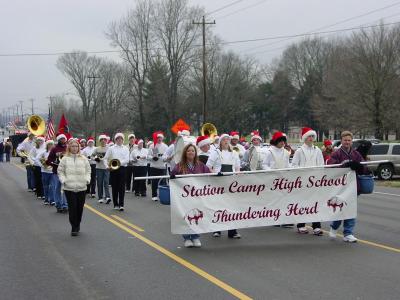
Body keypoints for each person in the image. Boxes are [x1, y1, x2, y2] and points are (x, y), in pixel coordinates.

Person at [328, 131, 366, 243]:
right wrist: (344, 166)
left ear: (351, 141)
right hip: (340, 187)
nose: (347, 142)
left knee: (351, 209)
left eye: (349, 140)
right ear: (342, 141)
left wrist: (358, 167)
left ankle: (348, 233)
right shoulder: (336, 153)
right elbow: (331, 166)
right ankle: (334, 227)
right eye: (345, 140)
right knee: (340, 209)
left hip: (354, 186)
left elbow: (364, 168)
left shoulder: (356, 154)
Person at [170, 144, 211, 248]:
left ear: (195, 153)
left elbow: (209, 175)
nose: (191, 153)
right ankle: (187, 238)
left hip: (197, 196)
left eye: (192, 151)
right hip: (184, 197)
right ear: (185, 153)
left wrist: (217, 175)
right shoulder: (179, 165)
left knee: (197, 216)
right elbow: (172, 176)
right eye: (188, 151)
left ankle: (196, 236)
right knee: (187, 216)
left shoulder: (201, 165)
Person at [207, 133, 241, 239]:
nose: (226, 141)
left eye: (228, 139)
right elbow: (208, 166)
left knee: (232, 207)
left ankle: (232, 231)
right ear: (220, 141)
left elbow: (237, 167)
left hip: (231, 183)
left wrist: (236, 175)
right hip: (218, 182)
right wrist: (215, 174)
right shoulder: (215, 152)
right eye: (224, 139)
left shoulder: (234, 153)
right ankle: (216, 230)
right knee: (218, 206)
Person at [291, 127, 324, 235]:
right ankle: (301, 225)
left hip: (315, 182)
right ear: (305, 138)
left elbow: (321, 165)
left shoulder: (317, 150)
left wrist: (320, 177)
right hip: (303, 182)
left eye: (312, 136)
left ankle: (316, 226)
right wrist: (301, 175)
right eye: (309, 136)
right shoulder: (300, 151)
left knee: (316, 203)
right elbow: (294, 165)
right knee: (303, 203)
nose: (311, 138)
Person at [58, 139, 91, 236]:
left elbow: (88, 171)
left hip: (82, 187)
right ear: (69, 147)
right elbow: (60, 171)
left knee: (79, 208)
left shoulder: (83, 158)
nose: (75, 148)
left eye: (76, 146)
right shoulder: (64, 159)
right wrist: (64, 180)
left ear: (79, 148)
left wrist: (87, 179)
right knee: (72, 208)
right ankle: (74, 227)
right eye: (72, 146)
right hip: (69, 187)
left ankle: (78, 223)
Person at [104, 133, 129, 211]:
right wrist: (107, 166)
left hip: (122, 168)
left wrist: (118, 163)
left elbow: (127, 160)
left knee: (122, 187)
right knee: (115, 187)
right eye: (118, 138)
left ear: (123, 140)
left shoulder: (125, 148)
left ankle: (121, 204)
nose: (119, 140)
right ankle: (116, 204)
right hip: (113, 169)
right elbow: (105, 158)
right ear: (115, 140)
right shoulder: (111, 148)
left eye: (121, 138)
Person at [46, 133, 68, 213]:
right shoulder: (54, 149)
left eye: (64, 139)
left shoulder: (68, 148)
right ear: (58, 140)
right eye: (61, 139)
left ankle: (65, 205)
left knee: (66, 188)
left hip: (66, 172)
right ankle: (58, 205)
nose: (63, 140)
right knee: (57, 188)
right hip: (56, 171)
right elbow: (48, 161)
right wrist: (54, 163)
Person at [147, 132, 168, 201]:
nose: (159, 139)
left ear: (162, 138)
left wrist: (163, 158)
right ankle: (154, 195)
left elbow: (167, 156)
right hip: (154, 167)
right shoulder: (152, 146)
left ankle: (162, 195)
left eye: (160, 138)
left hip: (162, 167)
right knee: (154, 182)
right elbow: (148, 156)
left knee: (163, 182)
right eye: (158, 138)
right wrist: (152, 157)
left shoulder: (165, 146)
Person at [92, 134, 111, 204]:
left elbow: (111, 157)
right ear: (100, 141)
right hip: (99, 167)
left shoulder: (109, 148)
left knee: (106, 182)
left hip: (106, 167)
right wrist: (95, 159)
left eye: (104, 140)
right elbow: (92, 156)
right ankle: (100, 197)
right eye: (102, 140)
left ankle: (107, 196)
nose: (103, 141)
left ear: (106, 141)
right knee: (99, 183)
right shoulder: (97, 149)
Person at [39, 140, 55, 205]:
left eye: (52, 144)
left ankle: (52, 200)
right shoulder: (43, 152)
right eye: (49, 144)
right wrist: (42, 166)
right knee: (45, 186)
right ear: (47, 145)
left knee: (52, 186)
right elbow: (37, 159)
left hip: (52, 172)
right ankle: (46, 199)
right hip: (44, 172)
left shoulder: (54, 153)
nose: (51, 146)